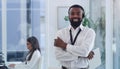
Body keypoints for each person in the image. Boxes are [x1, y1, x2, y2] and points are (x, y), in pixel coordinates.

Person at [54, 4, 96, 69]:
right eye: (72, 13)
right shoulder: (60, 33)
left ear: (82, 16)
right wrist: (81, 55)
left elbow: (84, 51)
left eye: (78, 13)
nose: (75, 16)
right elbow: (58, 55)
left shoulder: (89, 32)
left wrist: (64, 45)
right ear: (69, 16)